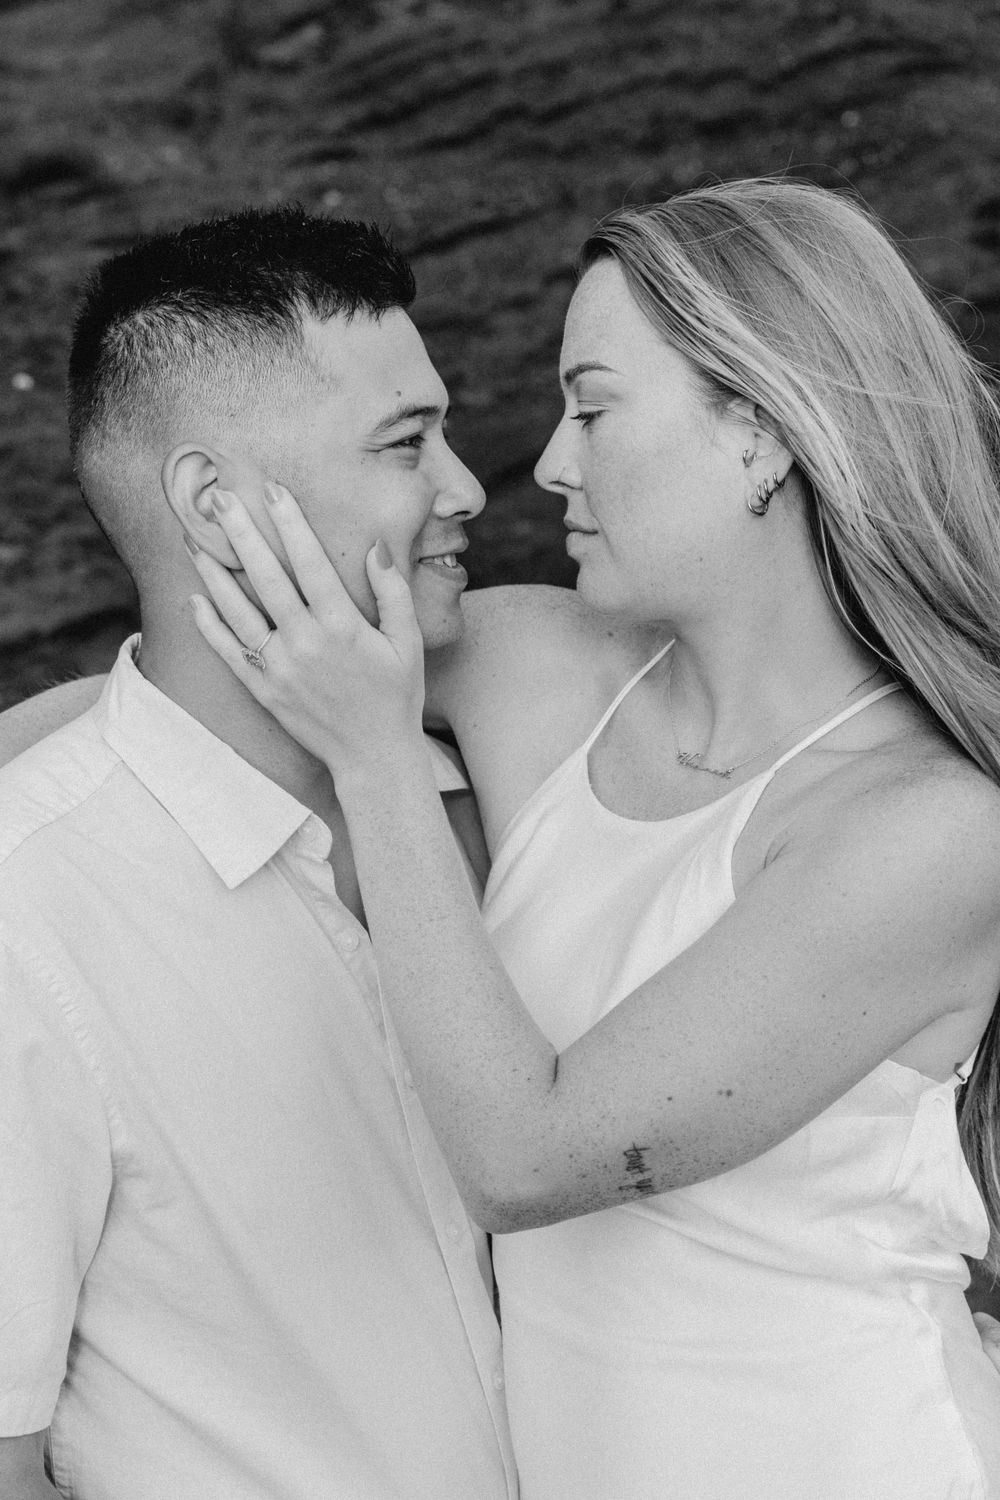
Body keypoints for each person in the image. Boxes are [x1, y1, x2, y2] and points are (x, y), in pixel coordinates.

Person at [172, 179, 1000, 1497]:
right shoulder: (543, 669)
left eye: (595, 406)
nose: (550, 462)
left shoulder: (931, 832)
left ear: (762, 434)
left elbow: (527, 1158)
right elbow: (174, 694)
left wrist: (377, 759)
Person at [0, 207, 516, 1499]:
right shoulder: (30, 918)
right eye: (407, 444)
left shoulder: (514, 789)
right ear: (213, 503)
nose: (462, 490)